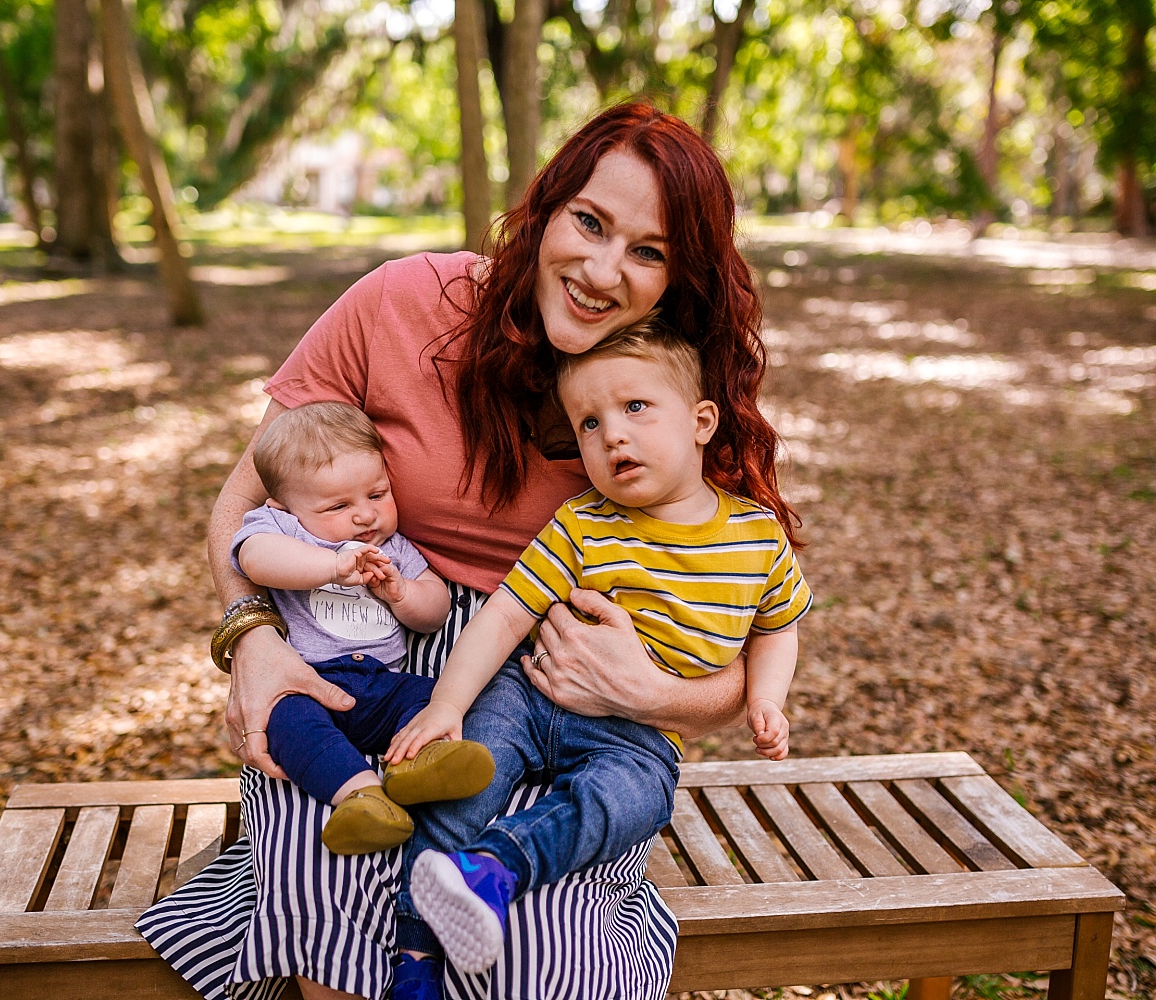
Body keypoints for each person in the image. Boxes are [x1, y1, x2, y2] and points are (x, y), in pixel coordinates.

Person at [135, 102, 805, 1000]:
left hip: (553, 686)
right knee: (335, 874)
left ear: (677, 282)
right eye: (590, 223)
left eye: (647, 252)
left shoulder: (674, 395)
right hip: (357, 642)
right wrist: (251, 640)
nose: (602, 271)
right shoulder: (401, 304)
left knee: (526, 934)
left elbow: (748, 626)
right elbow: (242, 501)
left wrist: (662, 695)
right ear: (544, 210)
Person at [384, 318, 810, 989]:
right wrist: (448, 704)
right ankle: (415, 955)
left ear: (701, 422)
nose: (612, 433)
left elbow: (777, 627)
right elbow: (505, 614)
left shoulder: (755, 537)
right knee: (466, 776)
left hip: (635, 737)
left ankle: (495, 868)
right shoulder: (583, 522)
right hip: (530, 694)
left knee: (633, 801)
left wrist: (765, 699)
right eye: (588, 422)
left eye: (636, 407)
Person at [231, 402, 495, 856]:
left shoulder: (394, 548)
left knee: (430, 697)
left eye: (377, 495)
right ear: (284, 507)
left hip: (381, 682)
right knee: (287, 723)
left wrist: (401, 593)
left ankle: (418, 765)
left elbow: (436, 610)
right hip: (308, 682)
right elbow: (256, 559)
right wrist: (331, 565)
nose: (365, 516)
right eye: (339, 505)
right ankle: (361, 796)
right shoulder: (281, 529)